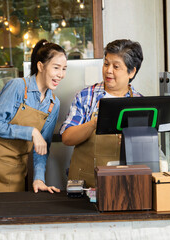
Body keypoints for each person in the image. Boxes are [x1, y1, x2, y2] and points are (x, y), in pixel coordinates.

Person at [0, 39, 67, 193]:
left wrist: (39, 178)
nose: (61, 75)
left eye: (64, 69)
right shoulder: (18, 87)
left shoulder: (53, 104)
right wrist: (31, 132)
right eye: (56, 68)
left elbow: (42, 147)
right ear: (41, 66)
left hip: (14, 173)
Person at [60, 39, 144, 187]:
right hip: (85, 185)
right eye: (106, 64)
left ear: (132, 72)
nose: (108, 70)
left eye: (116, 66)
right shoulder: (86, 96)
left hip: (125, 186)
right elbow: (67, 138)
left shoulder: (140, 104)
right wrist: (93, 124)